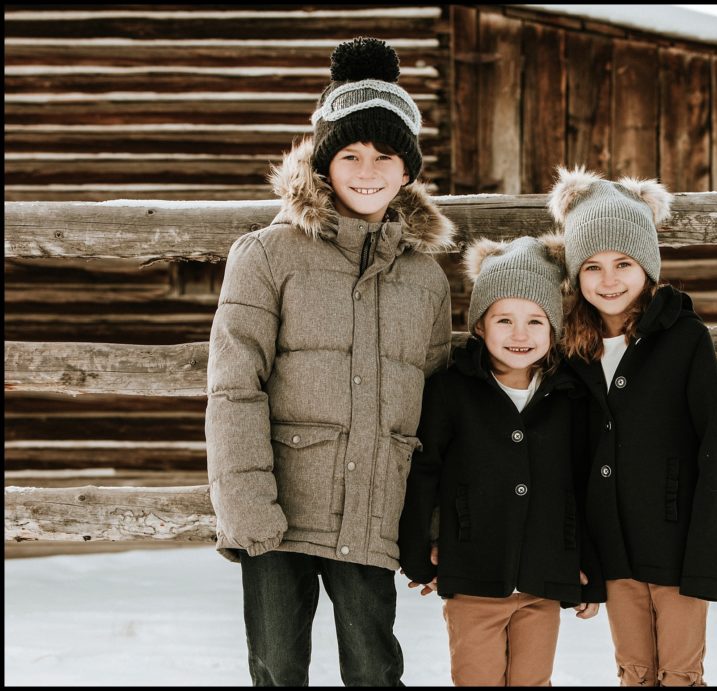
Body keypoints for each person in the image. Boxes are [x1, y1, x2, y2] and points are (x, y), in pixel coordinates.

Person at [205, 37, 454, 686]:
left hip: (373, 512)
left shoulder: (425, 278)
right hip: (278, 514)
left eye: (384, 155)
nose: (366, 169)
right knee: (279, 667)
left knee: (375, 669)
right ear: (324, 162)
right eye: (350, 153)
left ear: (407, 171)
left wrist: (429, 524)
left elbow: (438, 408)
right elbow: (235, 388)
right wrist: (248, 509)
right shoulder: (268, 257)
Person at [549, 166, 717, 687]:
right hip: (613, 549)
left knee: (679, 674)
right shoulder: (574, 354)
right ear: (576, 275)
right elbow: (570, 462)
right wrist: (579, 557)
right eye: (591, 266)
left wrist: (708, 557)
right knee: (634, 672)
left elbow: (716, 450)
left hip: (677, 544)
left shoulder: (684, 339)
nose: (608, 280)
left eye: (623, 263)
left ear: (648, 267)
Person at [398, 235, 603, 686]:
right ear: (479, 326)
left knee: (533, 680)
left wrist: (589, 567)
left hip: (543, 580)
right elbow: (425, 471)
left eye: (535, 321)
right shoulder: (452, 391)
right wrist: (416, 551)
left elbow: (582, 486)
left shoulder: (568, 397)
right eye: (504, 320)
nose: (520, 335)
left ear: (554, 330)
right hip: (474, 577)